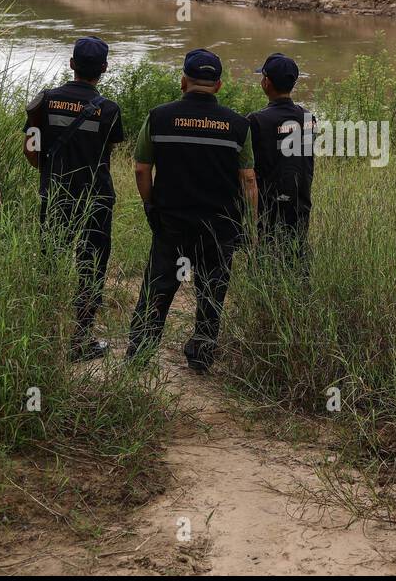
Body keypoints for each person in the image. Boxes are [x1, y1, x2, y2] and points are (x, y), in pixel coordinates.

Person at [127, 48, 257, 373]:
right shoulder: (238, 125)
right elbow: (249, 180)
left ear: (183, 81)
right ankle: (200, 358)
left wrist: (150, 204)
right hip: (220, 226)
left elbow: (142, 169)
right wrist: (250, 225)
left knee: (158, 287)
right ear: (219, 85)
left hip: (171, 221)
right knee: (212, 291)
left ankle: (140, 353)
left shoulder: (159, 116)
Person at [23, 37, 124, 363]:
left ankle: (43, 332)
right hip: (95, 196)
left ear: (71, 64)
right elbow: (106, 152)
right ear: (104, 69)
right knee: (91, 264)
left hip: (55, 193)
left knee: (50, 257)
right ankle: (80, 339)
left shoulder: (46, 101)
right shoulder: (108, 109)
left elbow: (31, 147)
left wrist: (49, 173)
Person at [247, 53, 314, 269]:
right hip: (300, 197)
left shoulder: (256, 120)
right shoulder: (308, 117)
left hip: (268, 202)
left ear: (266, 83)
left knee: (265, 256)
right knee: (296, 251)